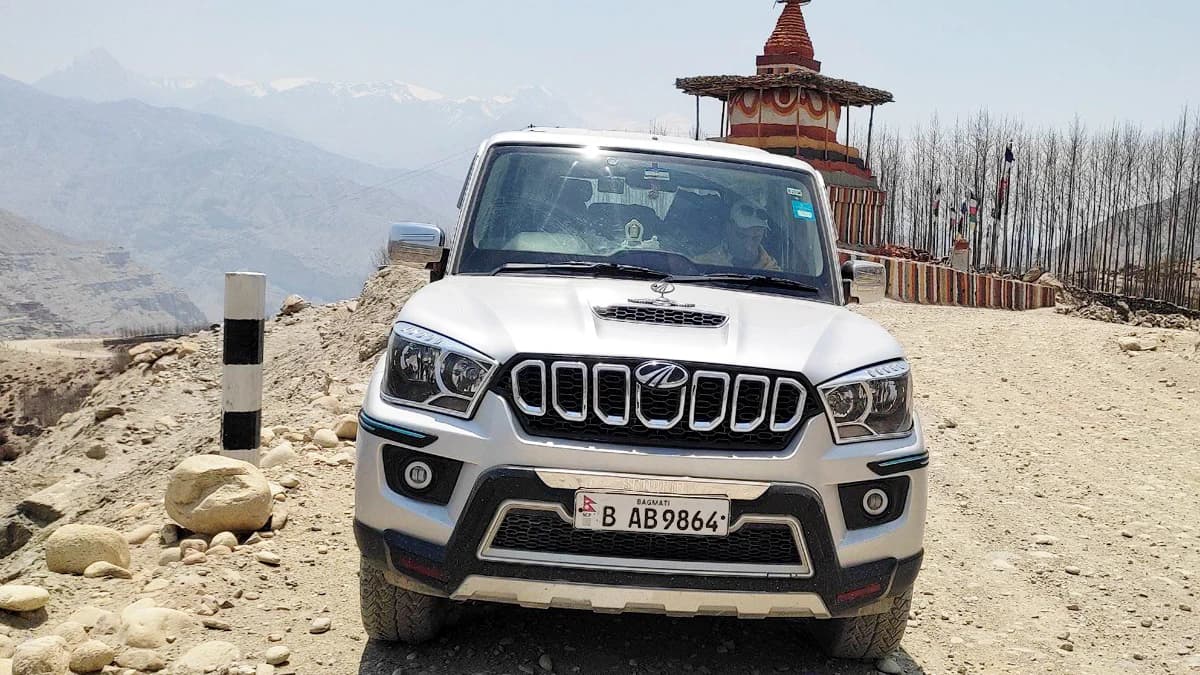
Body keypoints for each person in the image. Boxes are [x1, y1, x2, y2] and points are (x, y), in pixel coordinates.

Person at [695, 199, 781, 271]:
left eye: (756, 238)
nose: (748, 246)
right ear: (728, 228)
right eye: (741, 236)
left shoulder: (773, 273)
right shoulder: (704, 264)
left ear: (764, 233)